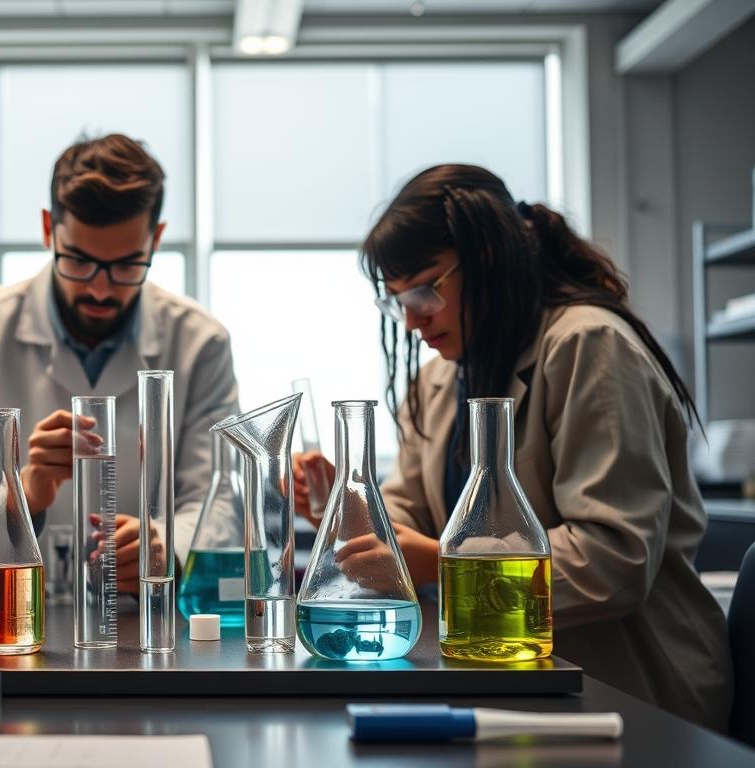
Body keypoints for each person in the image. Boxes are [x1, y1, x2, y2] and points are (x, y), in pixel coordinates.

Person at [291, 164, 732, 730]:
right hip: (497, 679)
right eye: (395, 300)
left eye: (426, 289)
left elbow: (612, 559)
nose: (411, 318)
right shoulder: (439, 380)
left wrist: (440, 562)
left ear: (489, 259)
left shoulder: (586, 345)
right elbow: (407, 521)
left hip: (628, 692)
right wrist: (343, 509)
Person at [0, 135, 239, 591]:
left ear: (155, 240)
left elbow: (222, 496)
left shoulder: (200, 342)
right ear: (47, 229)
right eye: (79, 260)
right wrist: (22, 491)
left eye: (127, 265)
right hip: (8, 621)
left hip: (150, 617)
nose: (99, 289)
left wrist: (166, 546)